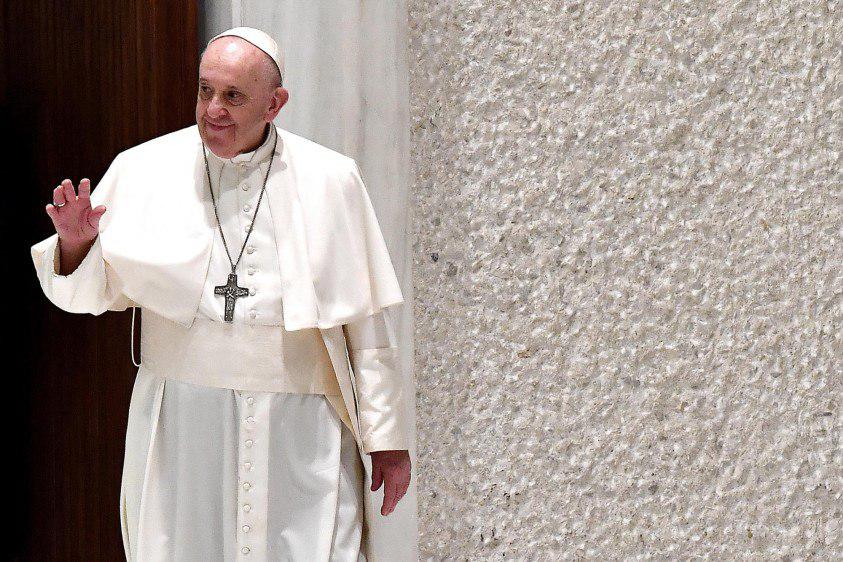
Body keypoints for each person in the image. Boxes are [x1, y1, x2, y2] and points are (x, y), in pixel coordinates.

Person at [30, 26, 416, 561]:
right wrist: (77, 246)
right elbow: (87, 294)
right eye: (204, 91)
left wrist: (387, 440)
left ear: (274, 103)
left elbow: (367, 326)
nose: (213, 109)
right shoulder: (142, 168)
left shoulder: (332, 179)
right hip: (184, 427)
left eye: (233, 96)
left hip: (301, 431)